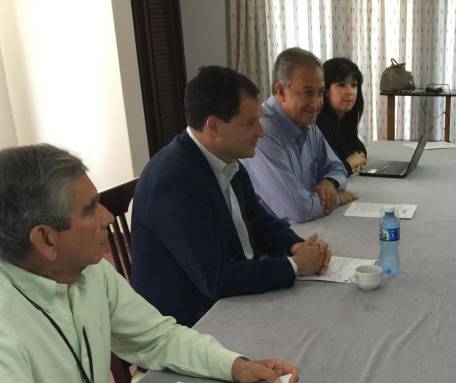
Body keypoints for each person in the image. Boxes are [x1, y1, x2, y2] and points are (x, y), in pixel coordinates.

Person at [0, 143, 301, 383]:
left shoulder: (88, 270)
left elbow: (157, 338)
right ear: (46, 239)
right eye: (90, 209)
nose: (107, 218)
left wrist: (236, 365)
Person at [132, 65, 331, 327]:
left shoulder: (226, 159)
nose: (261, 131)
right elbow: (216, 278)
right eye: (250, 123)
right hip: (191, 322)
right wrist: (294, 265)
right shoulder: (173, 182)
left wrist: (295, 247)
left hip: (231, 296)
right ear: (213, 126)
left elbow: (259, 221)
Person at [242, 48, 357, 223]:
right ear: (281, 92)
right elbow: (298, 210)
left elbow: (338, 168)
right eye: (308, 92)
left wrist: (329, 183)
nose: (316, 103)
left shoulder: (307, 121)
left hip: (309, 227)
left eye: (320, 93)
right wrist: (337, 198)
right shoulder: (263, 132)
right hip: (276, 236)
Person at [317, 57, 367, 175]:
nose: (350, 92)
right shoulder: (319, 120)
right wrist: (349, 164)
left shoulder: (346, 117)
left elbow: (359, 150)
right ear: (326, 90)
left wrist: (355, 160)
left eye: (354, 85)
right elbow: (328, 170)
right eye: (341, 85)